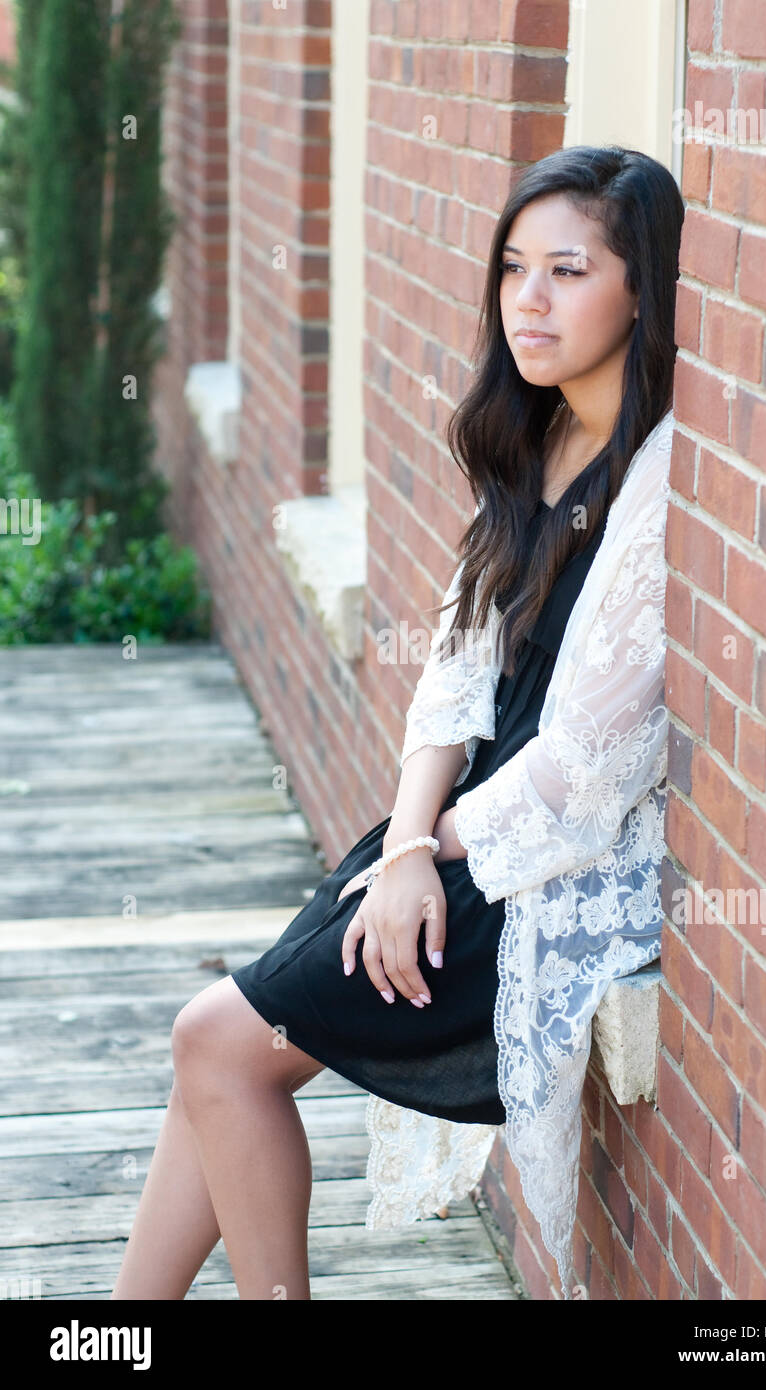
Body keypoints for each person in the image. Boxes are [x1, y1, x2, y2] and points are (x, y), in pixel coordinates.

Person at [111, 144, 684, 1302]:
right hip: (456, 838)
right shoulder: (538, 435)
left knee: (219, 1044)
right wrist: (406, 842)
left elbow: (577, 769)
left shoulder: (658, 479)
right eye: (513, 268)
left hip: (541, 869)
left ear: (643, 289)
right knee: (214, 1051)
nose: (528, 298)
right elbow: (452, 677)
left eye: (567, 271)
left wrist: (428, 856)